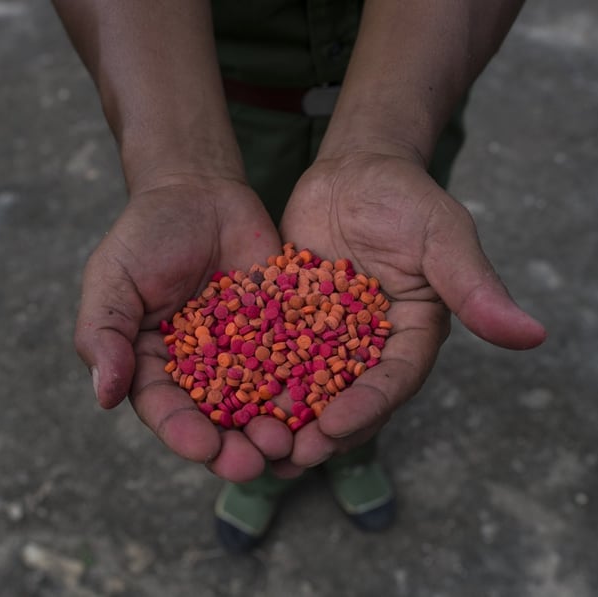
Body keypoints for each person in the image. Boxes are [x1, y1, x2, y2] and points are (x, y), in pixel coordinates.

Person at [53, 0, 546, 552]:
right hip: (216, 97)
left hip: (417, 88)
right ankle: (259, 475)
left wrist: (384, 142)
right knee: (266, 421)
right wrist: (176, 168)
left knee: (364, 382)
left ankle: (355, 456)